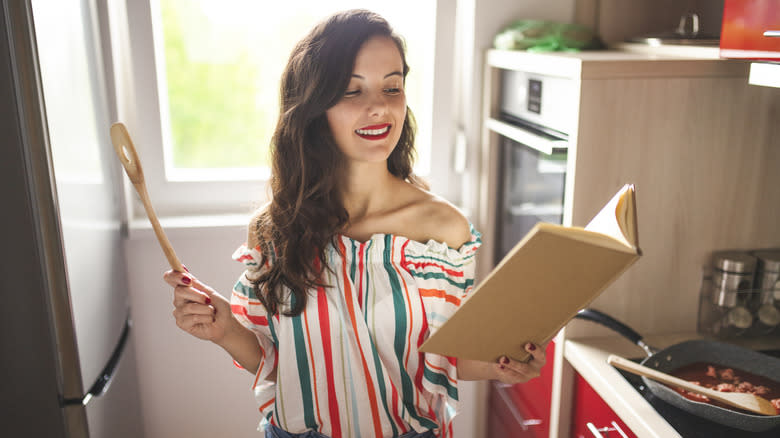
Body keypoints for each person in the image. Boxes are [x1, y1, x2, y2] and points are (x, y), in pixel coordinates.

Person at [163, 9, 546, 438]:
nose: (379, 106)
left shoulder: (444, 231)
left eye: (393, 87)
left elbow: (446, 360)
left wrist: (504, 363)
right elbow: (280, 363)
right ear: (313, 107)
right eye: (350, 91)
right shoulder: (275, 229)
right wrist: (225, 329)